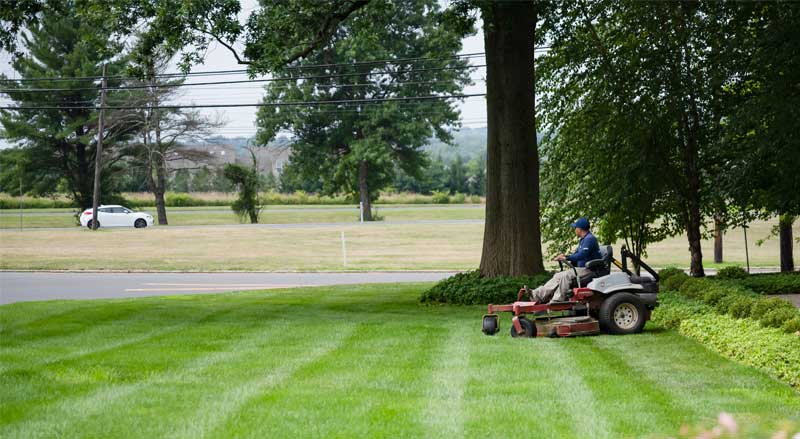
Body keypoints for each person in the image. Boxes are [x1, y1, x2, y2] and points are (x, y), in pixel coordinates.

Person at [529, 217, 602, 303]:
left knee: (566, 276)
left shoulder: (589, 239)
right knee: (558, 275)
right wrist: (565, 256)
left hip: (589, 270)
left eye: (575, 228)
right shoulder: (584, 240)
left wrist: (566, 258)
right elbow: (576, 254)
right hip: (582, 269)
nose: (575, 230)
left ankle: (558, 299)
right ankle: (537, 294)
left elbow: (582, 255)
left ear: (579, 229)